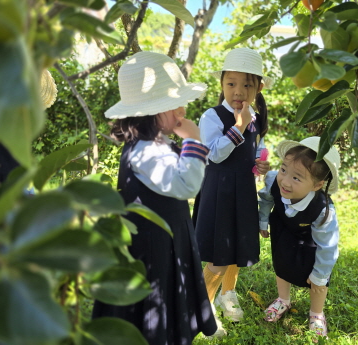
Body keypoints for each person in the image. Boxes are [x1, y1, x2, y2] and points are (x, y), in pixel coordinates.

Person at [91, 51, 217, 344]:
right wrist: (194, 140)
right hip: (153, 247)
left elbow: (188, 172)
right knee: (153, 305)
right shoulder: (145, 151)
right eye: (173, 105)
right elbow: (187, 185)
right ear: (149, 113)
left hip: (168, 238)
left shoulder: (156, 143)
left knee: (170, 298)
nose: (182, 109)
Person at [192, 47, 273, 335]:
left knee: (236, 250)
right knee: (219, 256)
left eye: (247, 84)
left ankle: (228, 293)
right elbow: (214, 155)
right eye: (231, 83)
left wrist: (260, 163)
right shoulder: (212, 116)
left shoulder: (256, 116)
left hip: (243, 192)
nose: (238, 91)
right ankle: (202, 308)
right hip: (219, 193)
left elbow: (258, 147)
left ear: (258, 87)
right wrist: (238, 128)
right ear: (222, 83)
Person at [258, 136, 341, 339]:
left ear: (316, 185)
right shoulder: (273, 181)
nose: (285, 181)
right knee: (282, 263)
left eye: (297, 177)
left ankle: (316, 313)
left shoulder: (323, 211)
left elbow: (328, 247)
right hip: (283, 230)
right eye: (284, 169)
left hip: (310, 239)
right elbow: (267, 198)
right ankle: (283, 299)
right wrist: (262, 220)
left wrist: (320, 275)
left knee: (318, 282)